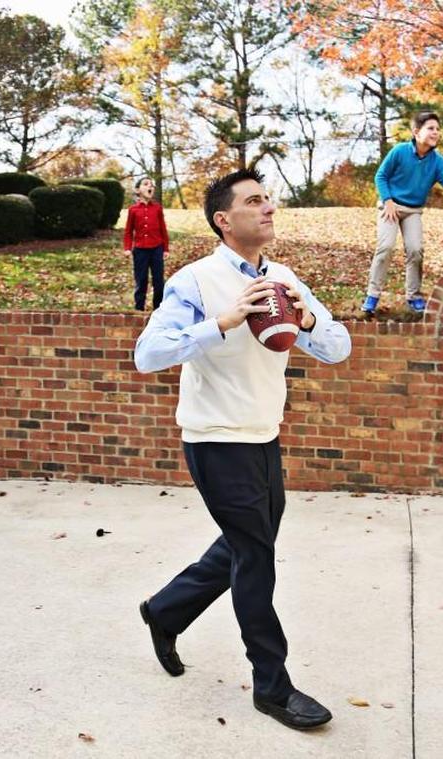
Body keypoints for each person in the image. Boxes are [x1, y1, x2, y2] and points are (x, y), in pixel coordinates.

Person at [133, 168, 351, 730]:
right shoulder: (196, 282)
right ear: (223, 220)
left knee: (244, 543)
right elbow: (149, 354)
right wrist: (224, 322)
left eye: (269, 199)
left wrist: (303, 321)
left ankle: (165, 610)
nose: (269, 207)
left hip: (262, 434)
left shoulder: (284, 278)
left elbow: (338, 346)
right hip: (214, 438)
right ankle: (272, 687)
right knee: (255, 555)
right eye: (255, 201)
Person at [362, 111, 443, 315]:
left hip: (413, 210)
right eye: (431, 128)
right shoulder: (399, 151)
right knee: (386, 247)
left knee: (415, 250)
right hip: (391, 207)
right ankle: (372, 295)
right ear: (416, 132)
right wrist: (387, 200)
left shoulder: (437, 161)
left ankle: (413, 297)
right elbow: (381, 176)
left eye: (438, 129)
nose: (436, 133)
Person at [123, 176, 170, 311]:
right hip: (140, 250)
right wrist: (127, 248)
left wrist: (165, 248)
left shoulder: (157, 208)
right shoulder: (133, 210)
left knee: (159, 282)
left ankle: (158, 310)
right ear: (138, 190)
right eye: (146, 184)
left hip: (157, 249)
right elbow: (128, 231)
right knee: (141, 281)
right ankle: (139, 310)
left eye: (152, 185)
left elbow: (163, 229)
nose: (150, 186)